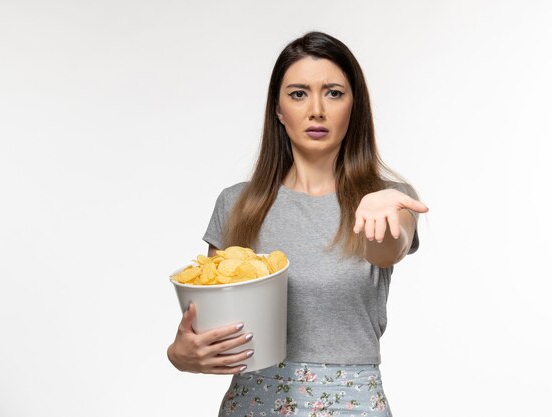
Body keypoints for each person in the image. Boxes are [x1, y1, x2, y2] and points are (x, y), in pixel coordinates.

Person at [167, 31, 429, 416]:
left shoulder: (389, 200)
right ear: (278, 109)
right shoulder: (236, 204)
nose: (317, 109)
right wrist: (181, 354)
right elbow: (211, 332)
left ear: (354, 106)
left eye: (334, 92)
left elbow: (388, 250)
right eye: (299, 93)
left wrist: (384, 210)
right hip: (253, 405)